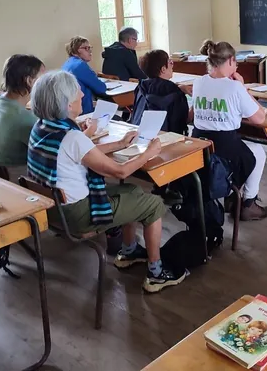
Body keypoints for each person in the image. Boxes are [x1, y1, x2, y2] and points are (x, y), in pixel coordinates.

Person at [27, 70, 186, 293]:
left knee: (132, 190)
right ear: (64, 103)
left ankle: (128, 252)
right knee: (154, 204)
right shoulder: (71, 136)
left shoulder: (43, 127)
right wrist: (149, 153)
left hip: (52, 210)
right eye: (76, 93)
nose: (82, 94)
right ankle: (156, 273)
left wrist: (120, 143)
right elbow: (120, 172)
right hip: (77, 215)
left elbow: (86, 152)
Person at [191, 40, 267, 221]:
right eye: (236, 63)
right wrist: (243, 88)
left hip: (200, 146)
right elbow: (260, 118)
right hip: (224, 148)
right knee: (258, 152)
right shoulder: (234, 87)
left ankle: (232, 197)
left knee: (247, 149)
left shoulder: (198, 82)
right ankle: (248, 203)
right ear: (230, 61)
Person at [0, 55, 45, 176]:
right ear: (29, 81)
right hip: (17, 178)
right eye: (43, 78)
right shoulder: (23, 118)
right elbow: (54, 153)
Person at [131, 50, 191, 135]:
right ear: (163, 69)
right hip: (168, 139)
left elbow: (156, 90)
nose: (172, 65)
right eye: (170, 62)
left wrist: (179, 88)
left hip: (140, 135)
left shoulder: (140, 87)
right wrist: (195, 108)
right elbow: (184, 121)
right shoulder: (175, 92)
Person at [62, 36, 107, 115]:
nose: (90, 51)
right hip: (83, 112)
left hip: (70, 109)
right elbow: (101, 88)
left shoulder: (67, 63)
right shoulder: (80, 65)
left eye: (90, 48)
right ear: (76, 50)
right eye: (86, 48)